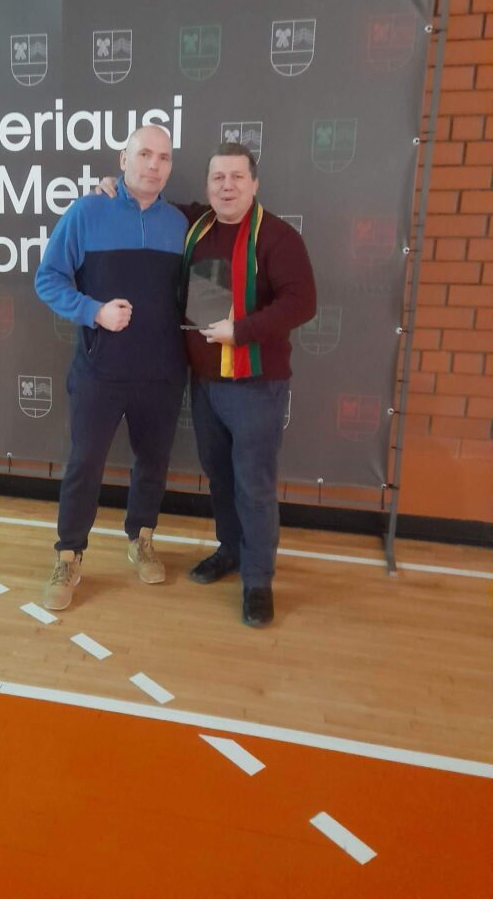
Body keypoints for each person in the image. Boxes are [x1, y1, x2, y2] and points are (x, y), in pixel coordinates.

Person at [99, 143, 316, 627]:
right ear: (207, 186)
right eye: (218, 178)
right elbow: (147, 201)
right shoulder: (196, 223)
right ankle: (230, 550)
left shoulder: (278, 237)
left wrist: (243, 330)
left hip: (256, 384)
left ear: (254, 183)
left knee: (254, 486)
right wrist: (116, 187)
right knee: (219, 476)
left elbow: (302, 302)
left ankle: (257, 581)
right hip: (205, 383)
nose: (227, 186)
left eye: (237, 177)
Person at [34, 125, 188, 611]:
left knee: (153, 463)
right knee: (84, 464)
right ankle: (68, 554)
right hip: (100, 371)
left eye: (163, 157)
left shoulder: (181, 223)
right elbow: (48, 278)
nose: (154, 165)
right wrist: (94, 311)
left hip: (162, 373)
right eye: (144, 154)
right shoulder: (86, 212)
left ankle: (141, 537)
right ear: (123, 159)